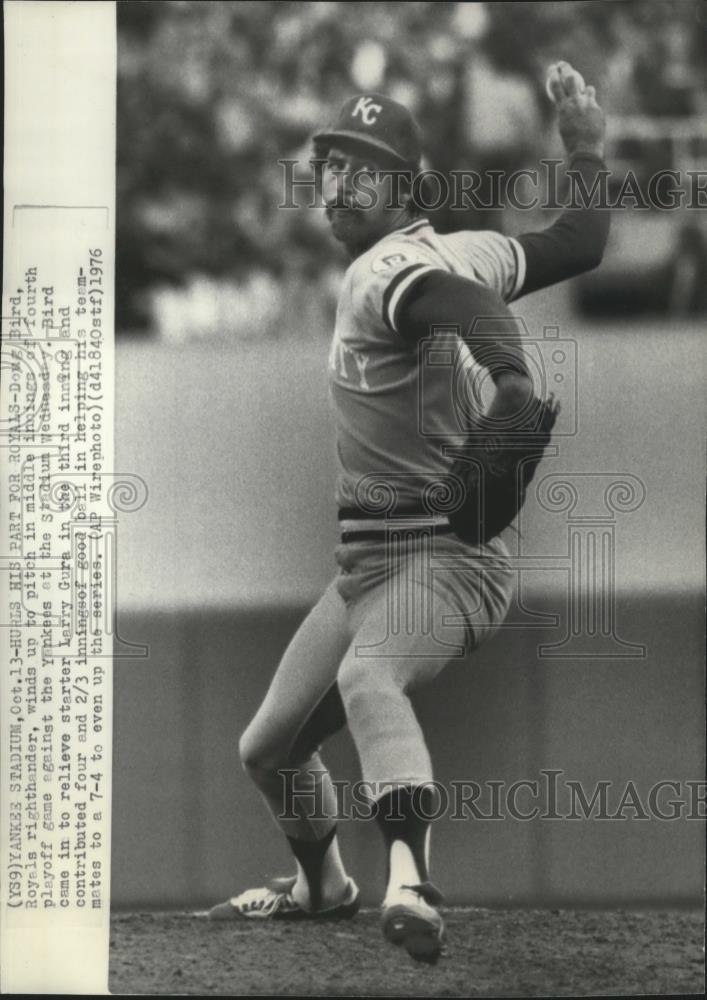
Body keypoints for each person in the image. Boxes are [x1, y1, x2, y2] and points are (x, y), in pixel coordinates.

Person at [209, 65, 609, 964]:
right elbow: (579, 241)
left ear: (411, 190)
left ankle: (412, 883)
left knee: (367, 680)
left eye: (363, 168)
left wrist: (510, 379)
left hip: (443, 560)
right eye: (331, 166)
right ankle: (323, 888)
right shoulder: (465, 246)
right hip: (367, 572)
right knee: (267, 749)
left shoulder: (382, 271)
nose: (339, 184)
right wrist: (582, 145)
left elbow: (458, 307)